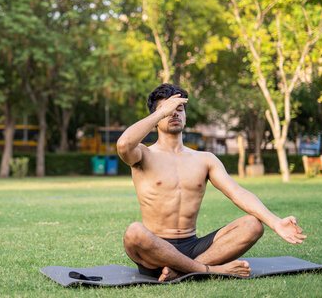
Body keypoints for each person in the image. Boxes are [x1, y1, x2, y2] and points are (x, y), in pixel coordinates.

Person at [117, 83, 306, 282]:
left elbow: (237, 193)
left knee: (253, 225)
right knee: (134, 232)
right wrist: (162, 111)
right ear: (156, 118)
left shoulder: (204, 159)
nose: (174, 114)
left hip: (193, 247)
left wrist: (276, 222)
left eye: (179, 110)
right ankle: (208, 270)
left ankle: (182, 271)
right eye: (168, 110)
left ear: (186, 116)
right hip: (154, 252)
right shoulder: (143, 154)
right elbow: (123, 144)